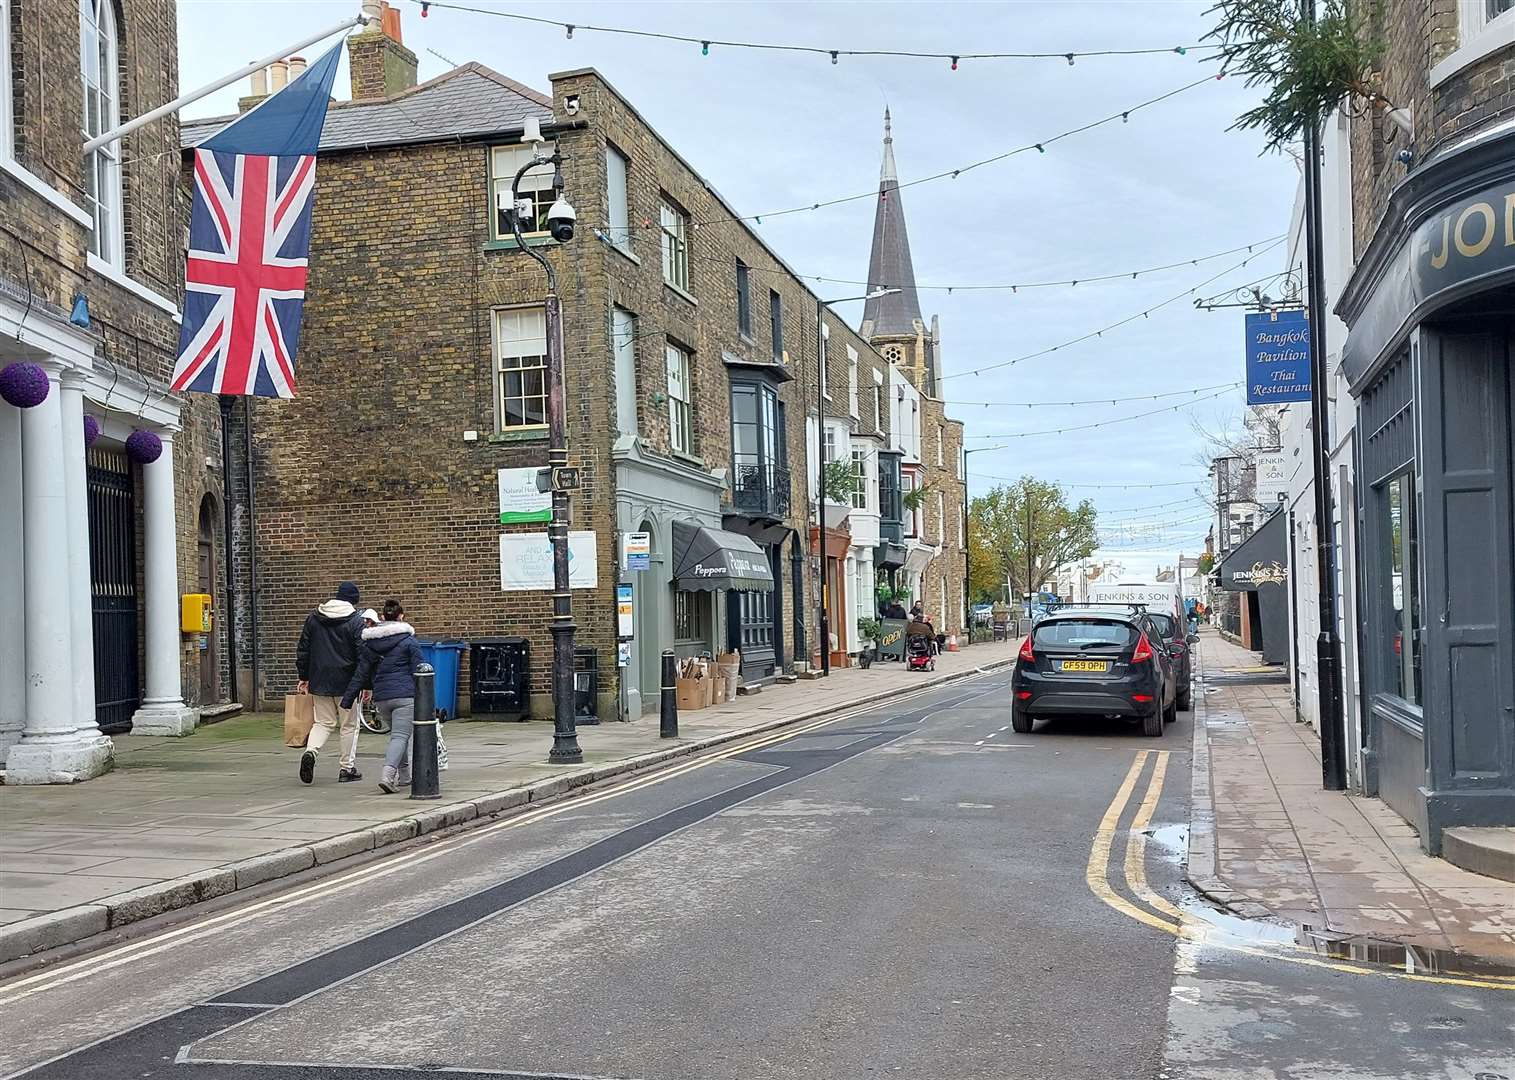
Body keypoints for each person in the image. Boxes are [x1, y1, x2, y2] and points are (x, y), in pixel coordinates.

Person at [341, 599, 425, 794]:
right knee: (400, 736)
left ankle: (405, 777)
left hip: (382, 698)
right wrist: (429, 701)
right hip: (404, 696)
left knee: (398, 736)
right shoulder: (409, 642)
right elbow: (421, 673)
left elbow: (361, 674)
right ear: (401, 616)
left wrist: (348, 699)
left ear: (382, 617)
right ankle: (387, 776)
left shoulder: (371, 644)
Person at [295, 581, 366, 784]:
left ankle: (311, 751)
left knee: (323, 722)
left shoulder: (314, 618)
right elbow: (363, 654)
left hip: (319, 678)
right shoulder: (356, 621)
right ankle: (347, 769)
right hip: (348, 682)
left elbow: (303, 649)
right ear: (353, 600)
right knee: (349, 725)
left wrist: (304, 676)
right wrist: (366, 683)